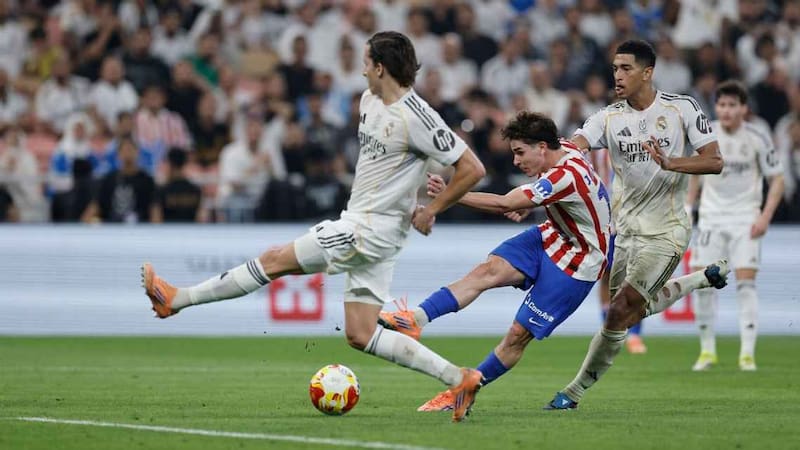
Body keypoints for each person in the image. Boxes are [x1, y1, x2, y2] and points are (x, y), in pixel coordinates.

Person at [141, 31, 486, 422]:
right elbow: (390, 169)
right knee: (360, 333)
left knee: (273, 259)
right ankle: (460, 378)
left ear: (379, 67)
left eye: (365, 61)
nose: (360, 68)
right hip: (371, 227)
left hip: (368, 229)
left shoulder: (418, 116)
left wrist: (431, 208)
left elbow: (473, 168)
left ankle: (176, 300)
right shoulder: (369, 101)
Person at [380, 111, 612, 411]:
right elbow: (562, 196)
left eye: (519, 152)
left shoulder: (564, 175)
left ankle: (466, 389)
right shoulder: (562, 149)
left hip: (579, 262)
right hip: (551, 235)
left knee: (517, 336)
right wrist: (533, 205)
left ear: (542, 147)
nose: (516, 161)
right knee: (487, 271)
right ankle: (414, 320)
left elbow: (505, 203)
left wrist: (453, 194)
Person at [543, 39, 730, 410]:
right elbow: (576, 144)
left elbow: (715, 161)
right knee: (628, 310)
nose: (617, 75)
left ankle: (574, 392)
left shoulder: (682, 109)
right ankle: (699, 280)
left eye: (626, 68)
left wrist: (672, 163)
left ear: (648, 73)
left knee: (620, 308)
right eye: (614, 68)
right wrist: (553, 159)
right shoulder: (608, 117)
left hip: (667, 230)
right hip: (624, 232)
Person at [687, 80, 784, 372]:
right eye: (722, 105)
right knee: (703, 285)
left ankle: (746, 354)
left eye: (732, 105)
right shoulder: (707, 135)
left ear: (744, 108)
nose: (726, 111)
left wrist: (765, 216)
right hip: (711, 218)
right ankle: (706, 351)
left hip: (745, 220)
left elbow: (777, 178)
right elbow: (693, 172)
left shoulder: (757, 136)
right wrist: (689, 205)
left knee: (745, 284)